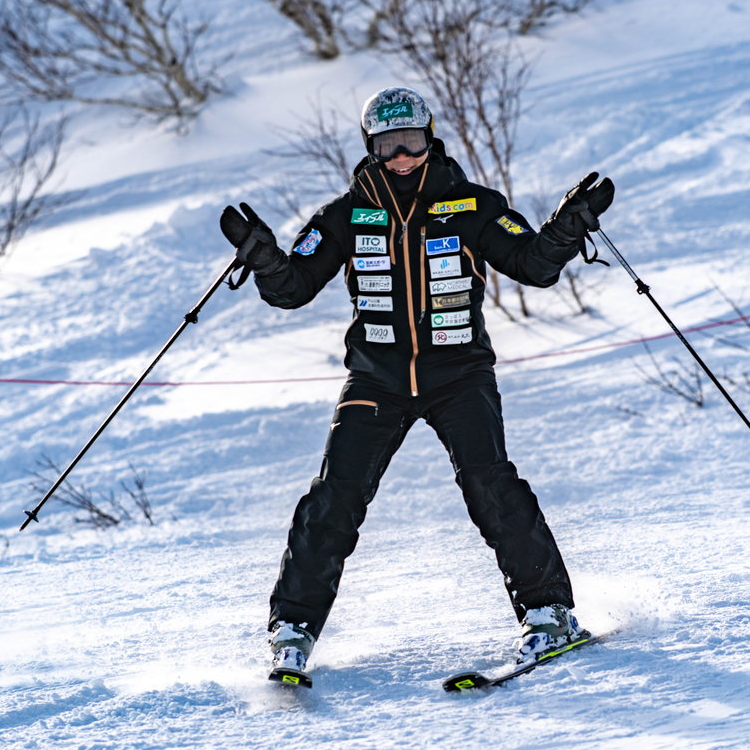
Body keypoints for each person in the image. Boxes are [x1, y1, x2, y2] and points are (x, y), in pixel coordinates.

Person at [219, 86, 614, 678]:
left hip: (458, 374)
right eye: (388, 144)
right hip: (376, 378)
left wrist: (566, 226)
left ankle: (550, 614)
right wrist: (265, 257)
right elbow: (293, 288)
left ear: (431, 138)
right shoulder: (344, 215)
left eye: (412, 141)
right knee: (336, 495)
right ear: (370, 148)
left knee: (490, 484)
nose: (402, 156)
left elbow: (532, 265)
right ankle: (293, 628)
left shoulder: (472, 206)